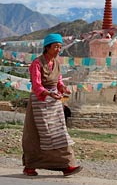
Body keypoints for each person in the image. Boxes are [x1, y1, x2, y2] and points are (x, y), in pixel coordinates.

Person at [22, 33, 82, 176]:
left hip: (54, 103)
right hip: (39, 102)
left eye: (60, 47)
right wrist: (48, 93)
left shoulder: (57, 63)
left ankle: (67, 165)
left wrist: (63, 88)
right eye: (55, 47)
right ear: (47, 47)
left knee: (59, 133)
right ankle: (30, 166)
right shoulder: (37, 63)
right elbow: (36, 85)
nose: (58, 50)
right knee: (35, 136)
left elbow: (58, 81)